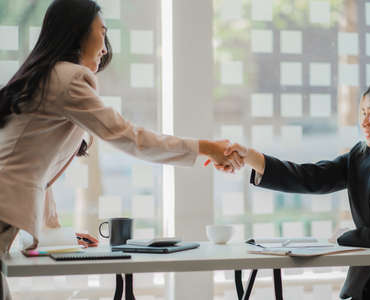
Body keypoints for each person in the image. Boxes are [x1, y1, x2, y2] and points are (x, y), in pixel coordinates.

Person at [0, 0, 242, 299]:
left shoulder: (46, 75)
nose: (105, 47)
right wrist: (206, 147)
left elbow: (33, 165)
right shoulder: (69, 78)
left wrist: (54, 233)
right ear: (77, 32)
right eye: (102, 32)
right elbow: (130, 137)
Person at [221, 78, 370, 300]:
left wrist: (344, 236)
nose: (363, 122)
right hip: (368, 286)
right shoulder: (361, 157)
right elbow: (311, 177)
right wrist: (251, 157)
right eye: (362, 113)